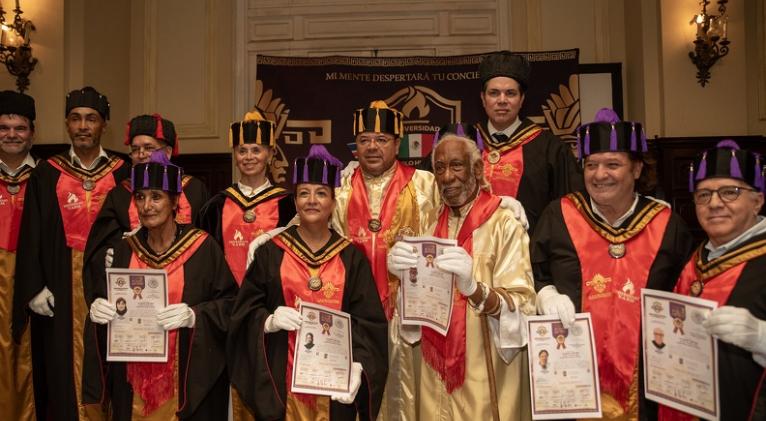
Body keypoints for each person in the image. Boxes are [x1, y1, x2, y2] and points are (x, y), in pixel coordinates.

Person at [530, 109, 694, 420]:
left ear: (636, 169)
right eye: (591, 165)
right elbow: (534, 273)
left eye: (613, 165)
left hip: (647, 379)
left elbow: (686, 294)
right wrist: (546, 294)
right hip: (569, 375)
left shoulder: (666, 224)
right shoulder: (559, 215)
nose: (599, 174)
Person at [228, 145, 388, 420]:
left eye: (321, 193)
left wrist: (359, 367)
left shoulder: (351, 258)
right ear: (295, 200)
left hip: (334, 387)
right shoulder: (271, 252)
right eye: (303, 193)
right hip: (281, 383)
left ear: (333, 202)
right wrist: (268, 321)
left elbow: (369, 325)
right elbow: (243, 313)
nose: (311, 200)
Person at [388, 134, 536, 420]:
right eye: (440, 168)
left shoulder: (504, 223)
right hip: (435, 375)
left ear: (477, 170)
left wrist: (475, 289)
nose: (447, 176)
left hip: (485, 368)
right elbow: (413, 323)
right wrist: (405, 279)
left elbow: (524, 306)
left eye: (457, 166)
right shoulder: (429, 223)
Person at [82, 151, 237, 420]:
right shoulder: (124, 248)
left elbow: (231, 306)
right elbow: (112, 305)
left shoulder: (203, 248)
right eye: (140, 197)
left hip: (186, 386)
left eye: (156, 197)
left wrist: (194, 316)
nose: (147, 206)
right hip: (134, 384)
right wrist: (98, 312)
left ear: (175, 201)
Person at [12, 86, 130, 421]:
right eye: (76, 118)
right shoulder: (47, 173)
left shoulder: (122, 172)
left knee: (112, 361)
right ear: (67, 123)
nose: (83, 126)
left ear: (103, 124)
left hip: (110, 283)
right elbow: (31, 233)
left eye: (91, 119)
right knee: (62, 364)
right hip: (60, 284)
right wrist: (35, 286)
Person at [333, 100, 439, 420]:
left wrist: (502, 203)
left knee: (409, 397)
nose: (372, 147)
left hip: (410, 316)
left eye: (381, 140)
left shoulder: (425, 185)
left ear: (397, 143)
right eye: (364, 140)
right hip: (355, 317)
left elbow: (453, 226)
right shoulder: (340, 189)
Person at [658, 140, 766, 420]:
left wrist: (761, 337)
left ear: (758, 201)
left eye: (730, 192)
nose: (715, 203)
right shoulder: (697, 258)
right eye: (703, 195)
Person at [84, 113, 209, 290]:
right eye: (135, 149)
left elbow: (206, 241)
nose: (141, 154)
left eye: (148, 147)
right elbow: (102, 246)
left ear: (167, 152)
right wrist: (113, 253)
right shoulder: (120, 194)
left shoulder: (194, 189)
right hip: (136, 285)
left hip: (188, 282)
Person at [474, 51, 583, 232]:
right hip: (468, 254)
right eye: (494, 93)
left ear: (522, 99)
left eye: (510, 93)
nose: (502, 100)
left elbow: (568, 211)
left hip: (531, 254)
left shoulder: (551, 149)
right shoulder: (465, 144)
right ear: (483, 98)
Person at [197, 109, 295, 284]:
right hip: (227, 302)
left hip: (273, 302)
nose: (249, 157)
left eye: (256, 150)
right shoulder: (214, 207)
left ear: (271, 154)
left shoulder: (288, 206)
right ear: (235, 156)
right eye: (242, 151)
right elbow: (204, 262)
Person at [0, 90, 37, 420]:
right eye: (4, 127)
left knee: (30, 358)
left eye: (20, 127)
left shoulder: (46, 179)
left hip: (31, 282)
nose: (12, 134)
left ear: (32, 133)